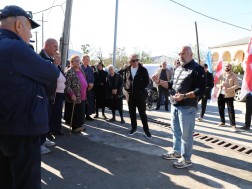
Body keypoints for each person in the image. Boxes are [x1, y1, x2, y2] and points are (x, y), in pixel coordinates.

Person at [0, 5, 59, 189]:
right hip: (21, 130)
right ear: (19, 25)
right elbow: (51, 73)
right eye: (29, 29)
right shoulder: (15, 47)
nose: (31, 36)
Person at [153, 46, 206, 168]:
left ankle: (186, 159)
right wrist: (159, 81)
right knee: (175, 131)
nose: (180, 56)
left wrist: (184, 96)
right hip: (175, 106)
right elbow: (171, 85)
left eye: (183, 53)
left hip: (187, 108)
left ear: (191, 55)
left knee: (186, 135)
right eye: (179, 53)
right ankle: (176, 151)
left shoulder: (197, 69)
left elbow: (201, 90)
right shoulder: (177, 68)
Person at [123, 54, 152, 138]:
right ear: (130, 62)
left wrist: (140, 89)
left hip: (140, 96)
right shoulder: (127, 70)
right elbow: (124, 80)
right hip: (130, 96)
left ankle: (146, 131)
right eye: (133, 60)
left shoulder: (143, 70)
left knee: (142, 113)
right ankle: (133, 128)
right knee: (132, 113)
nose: (135, 62)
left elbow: (147, 82)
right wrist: (127, 89)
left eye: (136, 60)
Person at [39, 38, 59, 154]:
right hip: (42, 95)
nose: (57, 49)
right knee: (41, 119)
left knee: (46, 119)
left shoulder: (50, 58)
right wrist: (54, 64)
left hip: (50, 95)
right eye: (54, 46)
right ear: (46, 45)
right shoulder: (40, 57)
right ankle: (39, 144)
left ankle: (43, 138)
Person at [64, 55, 88, 133]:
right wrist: (71, 94)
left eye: (79, 60)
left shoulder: (81, 70)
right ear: (72, 62)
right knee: (75, 112)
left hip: (82, 95)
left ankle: (79, 125)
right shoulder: (69, 71)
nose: (78, 62)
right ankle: (74, 127)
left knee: (80, 111)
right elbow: (67, 85)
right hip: (75, 95)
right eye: (76, 61)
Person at [216, 63, 239, 132]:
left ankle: (233, 125)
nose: (227, 67)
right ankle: (222, 122)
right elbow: (216, 83)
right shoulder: (221, 75)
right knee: (220, 108)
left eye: (228, 66)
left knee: (230, 110)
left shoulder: (234, 75)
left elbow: (236, 85)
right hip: (221, 94)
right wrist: (219, 85)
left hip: (229, 95)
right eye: (226, 66)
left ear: (230, 67)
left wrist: (228, 89)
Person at [50, 52, 66, 135]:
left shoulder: (59, 68)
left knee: (59, 113)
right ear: (52, 58)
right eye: (57, 57)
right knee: (54, 113)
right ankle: (52, 130)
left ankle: (57, 129)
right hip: (54, 94)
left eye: (60, 58)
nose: (59, 59)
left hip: (60, 94)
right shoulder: (52, 67)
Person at [81, 55, 95, 121]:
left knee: (89, 102)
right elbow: (81, 78)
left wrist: (92, 84)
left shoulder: (90, 68)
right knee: (83, 102)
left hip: (90, 88)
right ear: (83, 60)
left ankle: (88, 115)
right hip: (82, 88)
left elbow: (92, 77)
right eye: (86, 59)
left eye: (88, 59)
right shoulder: (80, 68)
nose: (87, 60)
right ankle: (82, 115)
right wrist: (87, 84)